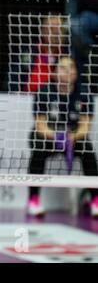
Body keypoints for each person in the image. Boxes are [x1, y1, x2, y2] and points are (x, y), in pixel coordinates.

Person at [27, 57, 98, 218]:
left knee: (88, 151)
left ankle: (95, 200)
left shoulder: (84, 93)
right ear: (54, 73)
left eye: (71, 67)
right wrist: (57, 136)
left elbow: (85, 126)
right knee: (38, 148)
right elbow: (40, 126)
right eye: (63, 68)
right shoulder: (44, 93)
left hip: (73, 137)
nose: (68, 71)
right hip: (49, 137)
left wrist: (72, 136)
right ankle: (33, 199)